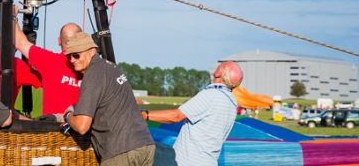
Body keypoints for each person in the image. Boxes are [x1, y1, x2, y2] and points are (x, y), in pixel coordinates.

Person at [60, 32, 154, 166]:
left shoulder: (93, 73)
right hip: (145, 145)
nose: (72, 60)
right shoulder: (111, 68)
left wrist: (68, 116)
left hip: (121, 150)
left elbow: (82, 126)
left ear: (91, 50)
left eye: (76, 55)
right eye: (69, 56)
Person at [146, 61, 243, 166]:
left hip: (189, 161)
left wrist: (144, 115)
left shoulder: (211, 95)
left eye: (221, 65)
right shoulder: (232, 102)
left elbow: (176, 116)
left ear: (219, 74)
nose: (217, 66)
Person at [14, 19, 82, 114]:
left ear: (59, 41)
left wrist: (13, 17)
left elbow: (20, 42)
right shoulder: (92, 67)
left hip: (54, 126)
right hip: (83, 126)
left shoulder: (50, 61)